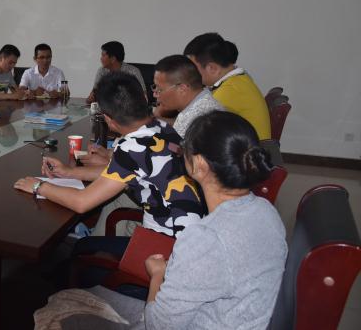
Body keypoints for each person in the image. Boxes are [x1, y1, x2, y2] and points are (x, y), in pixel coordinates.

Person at [58, 111, 287, 330]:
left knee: (63, 302)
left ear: (199, 165)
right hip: (240, 318)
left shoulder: (204, 238)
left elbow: (158, 325)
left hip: (190, 322)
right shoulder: (267, 212)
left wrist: (158, 274)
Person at [15, 72, 203, 251]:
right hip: (193, 235)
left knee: (82, 248)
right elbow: (119, 172)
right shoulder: (161, 127)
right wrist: (69, 172)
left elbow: (82, 202)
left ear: (108, 119)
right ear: (145, 98)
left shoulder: (132, 147)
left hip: (166, 249)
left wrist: (39, 186)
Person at [184, 33, 271, 140]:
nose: (190, 74)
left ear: (212, 68)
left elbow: (197, 131)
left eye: (193, 69)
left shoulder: (230, 91)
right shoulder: (238, 80)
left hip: (246, 149)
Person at [152, 55, 224, 138]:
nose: (155, 94)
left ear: (182, 89)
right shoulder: (197, 105)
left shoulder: (203, 120)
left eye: (160, 89)